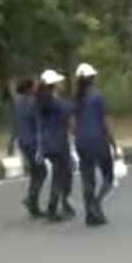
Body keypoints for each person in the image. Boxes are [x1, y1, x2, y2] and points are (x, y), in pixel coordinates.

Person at [72, 63, 115, 227]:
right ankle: (96, 204)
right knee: (108, 176)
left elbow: (72, 122)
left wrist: (77, 135)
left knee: (87, 178)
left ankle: (90, 214)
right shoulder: (97, 97)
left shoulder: (76, 98)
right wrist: (113, 143)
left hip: (81, 141)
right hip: (98, 140)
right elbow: (105, 122)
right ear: (92, 78)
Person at [35, 69, 76, 223]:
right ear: (53, 85)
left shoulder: (40, 100)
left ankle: (62, 204)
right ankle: (54, 209)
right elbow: (69, 111)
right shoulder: (55, 102)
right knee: (61, 176)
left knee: (62, 174)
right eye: (58, 82)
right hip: (58, 143)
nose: (61, 84)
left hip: (47, 143)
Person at [9, 77, 45, 218]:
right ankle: (31, 199)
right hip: (33, 142)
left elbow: (15, 124)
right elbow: (38, 125)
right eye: (34, 86)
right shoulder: (33, 103)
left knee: (35, 172)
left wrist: (11, 143)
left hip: (22, 142)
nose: (36, 88)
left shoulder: (17, 103)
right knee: (41, 172)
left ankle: (33, 204)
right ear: (29, 89)